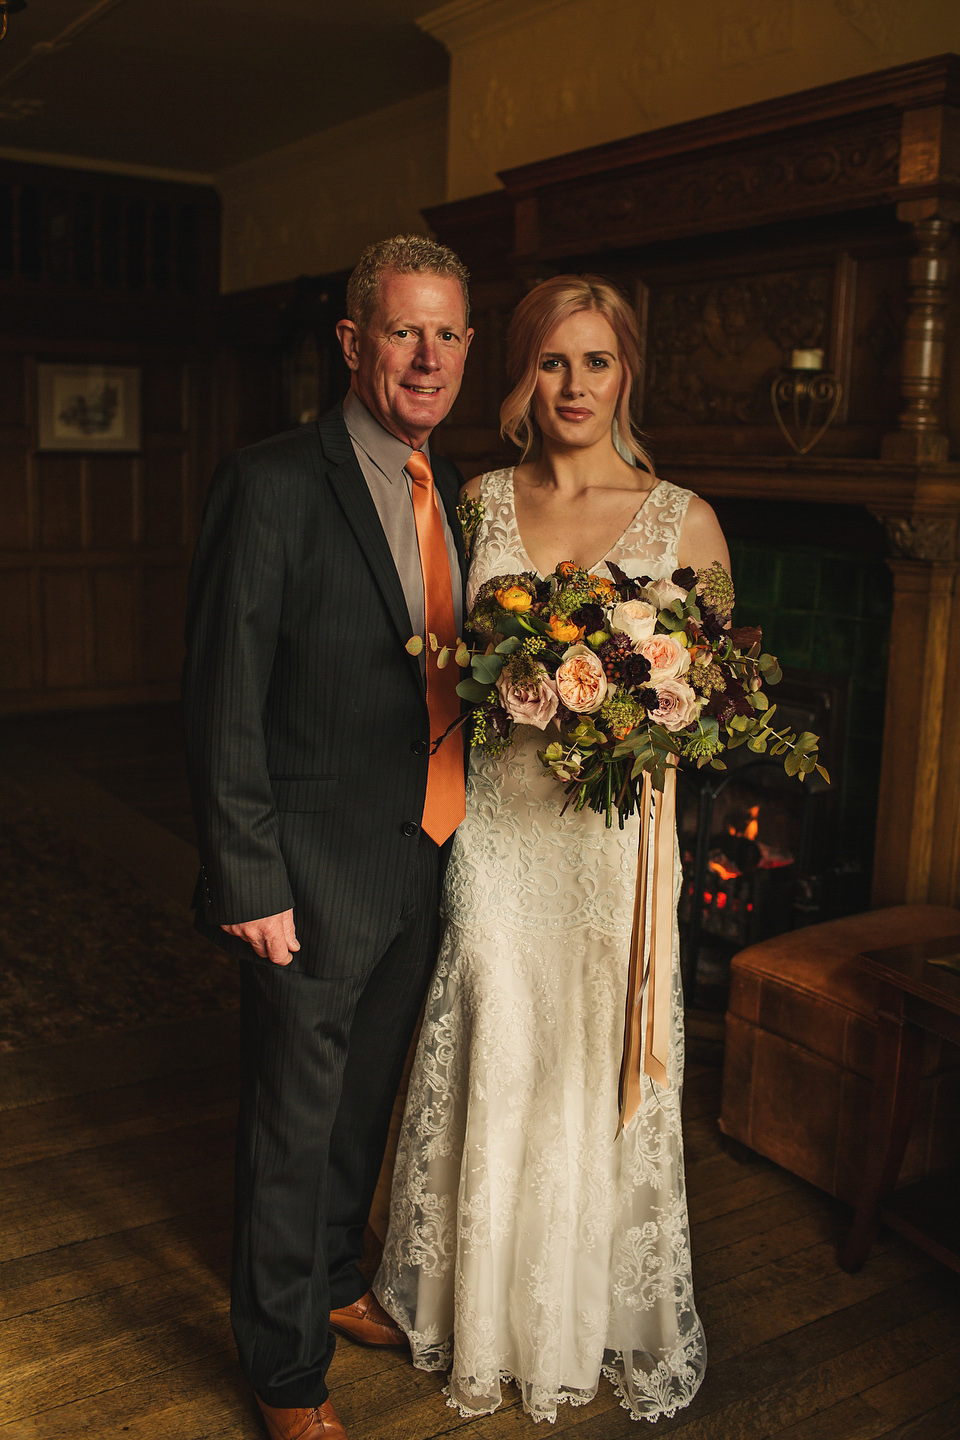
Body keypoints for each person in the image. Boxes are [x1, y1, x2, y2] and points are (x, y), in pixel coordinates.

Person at [375, 275, 727, 1424]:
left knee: (586, 1059)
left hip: (611, 847)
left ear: (629, 374)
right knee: (497, 1035)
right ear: (522, 372)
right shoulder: (474, 501)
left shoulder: (685, 517)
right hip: (498, 834)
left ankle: (571, 1318)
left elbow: (712, 704)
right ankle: (479, 1309)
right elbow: (435, 670)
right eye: (553, 362)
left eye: (598, 362)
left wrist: (639, 702)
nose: (575, 386)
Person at [181, 235, 473, 1440]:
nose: (426, 357)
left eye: (448, 334)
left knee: (362, 1106)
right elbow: (221, 693)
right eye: (402, 331)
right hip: (303, 869)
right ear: (354, 343)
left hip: (425, 852)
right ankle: (285, 1369)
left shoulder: (455, 493)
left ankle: (339, 1283)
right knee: (292, 1128)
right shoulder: (274, 482)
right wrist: (248, 875)